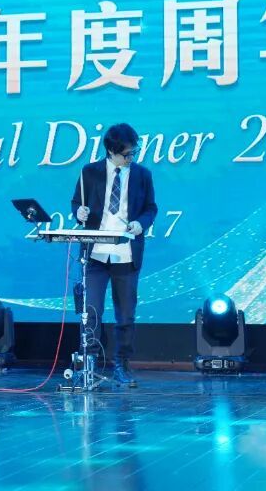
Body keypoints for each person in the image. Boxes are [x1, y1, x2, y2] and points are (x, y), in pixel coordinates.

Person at [71, 123, 157, 387]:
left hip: (126, 252)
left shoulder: (142, 175)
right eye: (126, 154)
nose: (130, 158)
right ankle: (89, 363)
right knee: (91, 312)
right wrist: (79, 213)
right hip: (96, 253)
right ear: (111, 151)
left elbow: (151, 208)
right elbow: (76, 203)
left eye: (133, 153)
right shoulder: (90, 172)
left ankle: (122, 364)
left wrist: (140, 224)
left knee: (126, 314)